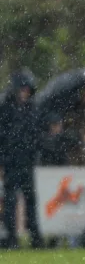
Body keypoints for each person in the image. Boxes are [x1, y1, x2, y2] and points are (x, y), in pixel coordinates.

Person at [0, 68, 45, 249]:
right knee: (10, 201)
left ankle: (35, 236)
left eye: (28, 90)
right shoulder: (6, 108)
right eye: (23, 89)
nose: (25, 93)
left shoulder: (31, 108)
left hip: (26, 161)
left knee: (30, 200)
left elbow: (35, 134)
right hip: (11, 161)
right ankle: (11, 237)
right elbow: (3, 137)